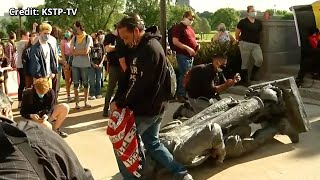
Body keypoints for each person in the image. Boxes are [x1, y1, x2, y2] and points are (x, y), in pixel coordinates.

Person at [111, 15, 194, 180]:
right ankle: (180, 173)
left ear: (136, 31)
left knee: (122, 145)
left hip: (149, 108)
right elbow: (127, 76)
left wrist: (121, 103)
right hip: (149, 107)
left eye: (126, 37)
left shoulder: (151, 48)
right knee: (152, 143)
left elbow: (142, 84)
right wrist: (117, 98)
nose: (125, 41)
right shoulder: (135, 46)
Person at [0, 91, 94, 179]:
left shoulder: (50, 93)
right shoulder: (28, 95)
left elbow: (51, 107)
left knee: (50, 122)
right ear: (6, 111)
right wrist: (31, 116)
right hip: (32, 121)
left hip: (41, 119)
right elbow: (24, 112)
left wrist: (46, 116)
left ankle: (56, 129)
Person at [173, 54, 241, 119]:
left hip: (205, 97)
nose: (223, 67)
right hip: (195, 96)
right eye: (222, 65)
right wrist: (227, 85)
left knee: (213, 112)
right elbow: (214, 89)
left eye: (224, 65)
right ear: (215, 61)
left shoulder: (217, 70)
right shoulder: (205, 71)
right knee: (202, 117)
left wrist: (233, 81)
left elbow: (224, 84)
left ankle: (191, 107)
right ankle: (183, 111)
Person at [172, 10, 200, 103]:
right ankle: (181, 94)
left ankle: (185, 94)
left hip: (190, 56)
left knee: (187, 75)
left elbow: (192, 39)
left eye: (192, 19)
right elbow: (175, 41)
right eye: (190, 19)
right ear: (184, 17)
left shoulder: (189, 28)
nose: (191, 21)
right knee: (185, 74)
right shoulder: (178, 27)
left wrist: (196, 46)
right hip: (182, 55)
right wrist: (187, 48)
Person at [235, 5, 263, 86]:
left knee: (259, 60)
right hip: (245, 44)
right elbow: (237, 32)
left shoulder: (258, 23)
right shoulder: (243, 22)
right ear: (248, 12)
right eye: (252, 11)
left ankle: (253, 75)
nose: (254, 12)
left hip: (256, 45)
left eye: (255, 11)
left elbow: (259, 33)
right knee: (245, 63)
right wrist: (239, 41)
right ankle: (245, 80)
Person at [102, 27, 125, 117]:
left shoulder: (122, 36)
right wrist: (118, 47)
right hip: (114, 65)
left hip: (123, 65)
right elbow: (107, 49)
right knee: (111, 87)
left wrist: (115, 47)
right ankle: (105, 108)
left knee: (122, 87)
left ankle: (119, 108)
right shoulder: (109, 37)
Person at [71, 21, 93, 109]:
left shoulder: (88, 38)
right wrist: (80, 52)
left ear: (79, 27)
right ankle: (77, 103)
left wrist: (77, 52)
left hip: (85, 64)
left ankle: (86, 101)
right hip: (75, 64)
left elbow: (86, 51)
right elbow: (72, 51)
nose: (74, 29)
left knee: (85, 83)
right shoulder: (74, 38)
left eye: (75, 27)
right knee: (76, 84)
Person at [29, 22, 58, 88]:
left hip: (49, 76)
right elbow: (35, 64)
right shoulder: (36, 47)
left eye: (48, 34)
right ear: (40, 33)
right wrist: (39, 77)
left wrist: (53, 71)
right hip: (39, 78)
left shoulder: (49, 45)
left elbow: (52, 59)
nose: (47, 35)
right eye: (45, 33)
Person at [88, 32, 105, 100]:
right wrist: (92, 63)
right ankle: (92, 94)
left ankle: (98, 93)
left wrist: (101, 63)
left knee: (98, 80)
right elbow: (88, 56)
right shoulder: (90, 46)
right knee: (92, 80)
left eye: (95, 36)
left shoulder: (101, 45)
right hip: (92, 65)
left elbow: (104, 54)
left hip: (99, 65)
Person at [16, 30, 30, 108]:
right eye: (27, 35)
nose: (28, 37)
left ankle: (22, 101)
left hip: (22, 66)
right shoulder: (21, 42)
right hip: (21, 66)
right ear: (23, 36)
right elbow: (31, 40)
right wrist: (34, 29)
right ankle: (20, 101)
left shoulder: (23, 42)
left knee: (24, 83)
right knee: (22, 84)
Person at [60, 28, 74, 102]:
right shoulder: (63, 41)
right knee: (67, 79)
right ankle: (68, 95)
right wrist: (65, 63)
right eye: (66, 31)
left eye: (68, 32)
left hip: (74, 59)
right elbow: (62, 53)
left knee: (74, 78)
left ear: (72, 33)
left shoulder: (74, 40)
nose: (67, 33)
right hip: (66, 59)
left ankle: (75, 93)